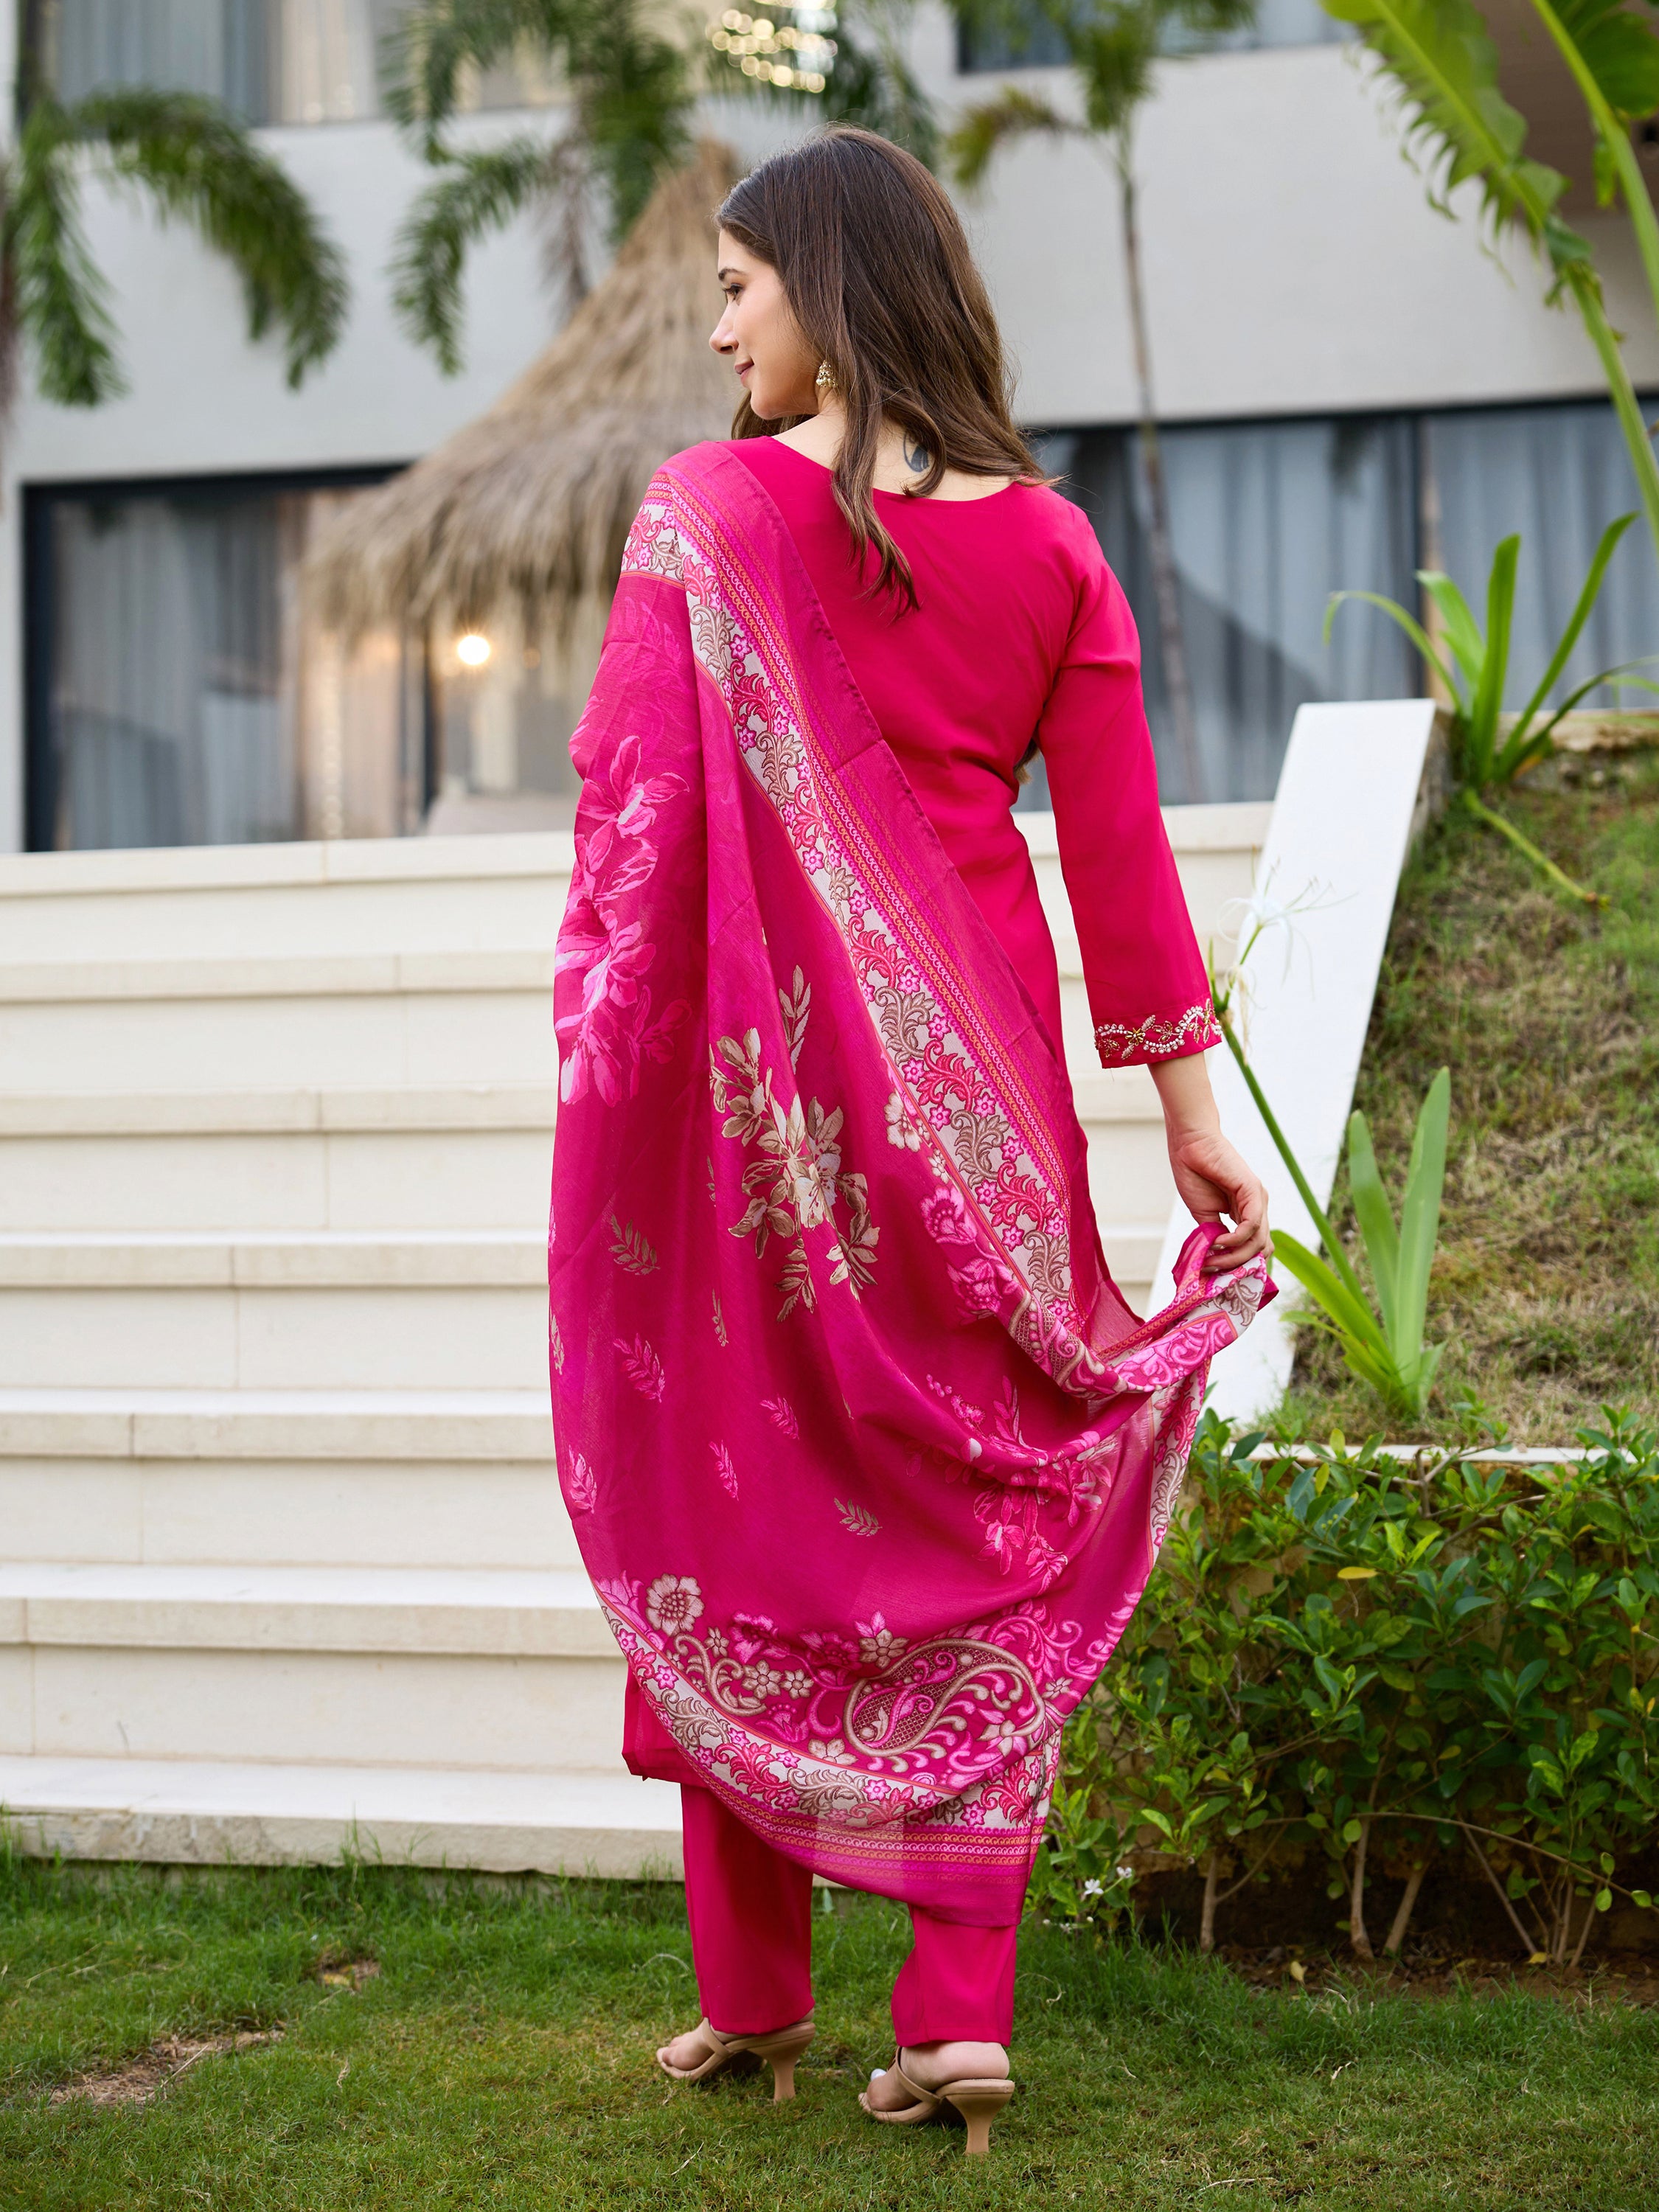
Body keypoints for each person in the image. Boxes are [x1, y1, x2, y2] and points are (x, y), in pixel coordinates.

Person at [547, 124, 1273, 2158]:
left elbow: (627, 816)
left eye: (737, 285)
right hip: (982, 1131)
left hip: (761, 1139)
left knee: (732, 1518)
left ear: (827, 289)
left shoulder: (705, 519)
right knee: (971, 1556)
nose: (715, 331)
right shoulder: (1050, 545)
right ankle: (953, 2013)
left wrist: (607, 1045)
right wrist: (1189, 1115)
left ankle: (752, 1997)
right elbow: (1117, 864)